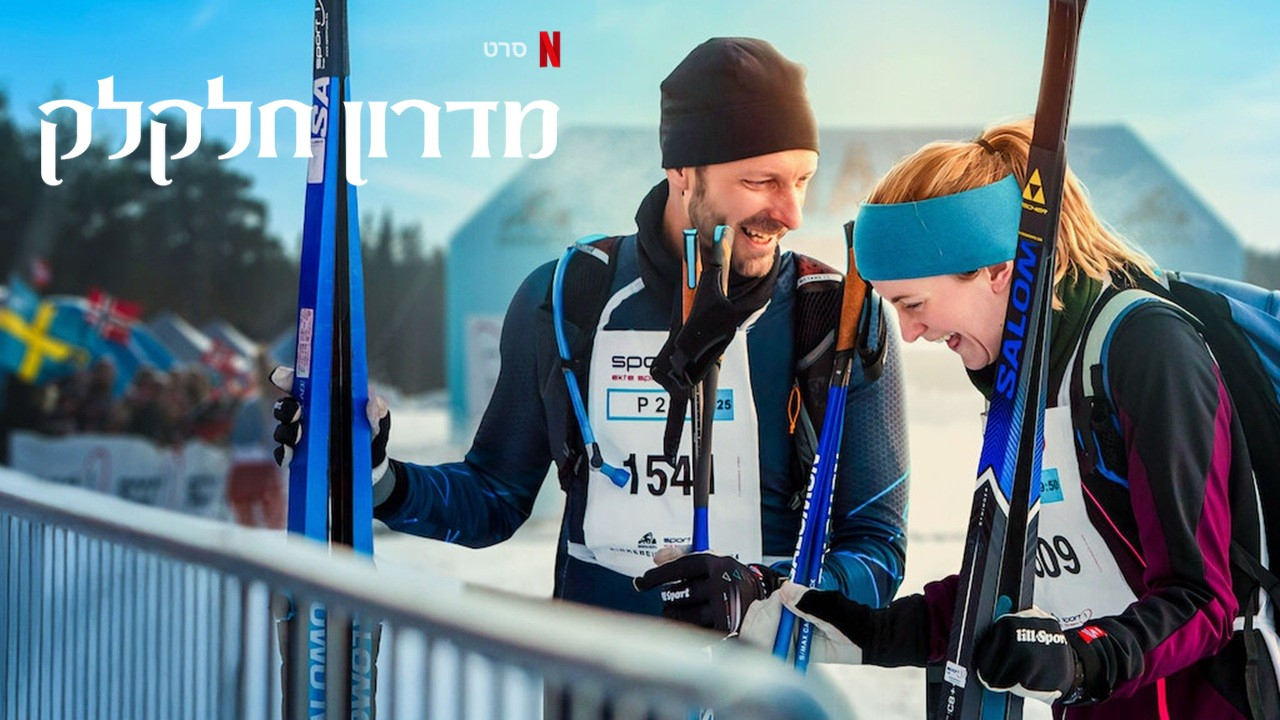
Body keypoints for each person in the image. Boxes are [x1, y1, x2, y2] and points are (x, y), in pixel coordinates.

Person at [274, 37, 910, 630]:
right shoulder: (567, 297)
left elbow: (877, 551)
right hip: (594, 676)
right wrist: (377, 475)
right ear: (683, 171)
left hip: (752, 681)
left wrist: (762, 590)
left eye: (801, 180)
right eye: (759, 181)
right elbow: (494, 498)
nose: (791, 212)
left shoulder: (832, 317)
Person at [740, 118, 1278, 719]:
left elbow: (1202, 599)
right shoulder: (1020, 386)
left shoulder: (1146, 351)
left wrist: (1081, 659)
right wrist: (859, 629)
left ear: (997, 270)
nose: (910, 333)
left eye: (914, 304)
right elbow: (1001, 587)